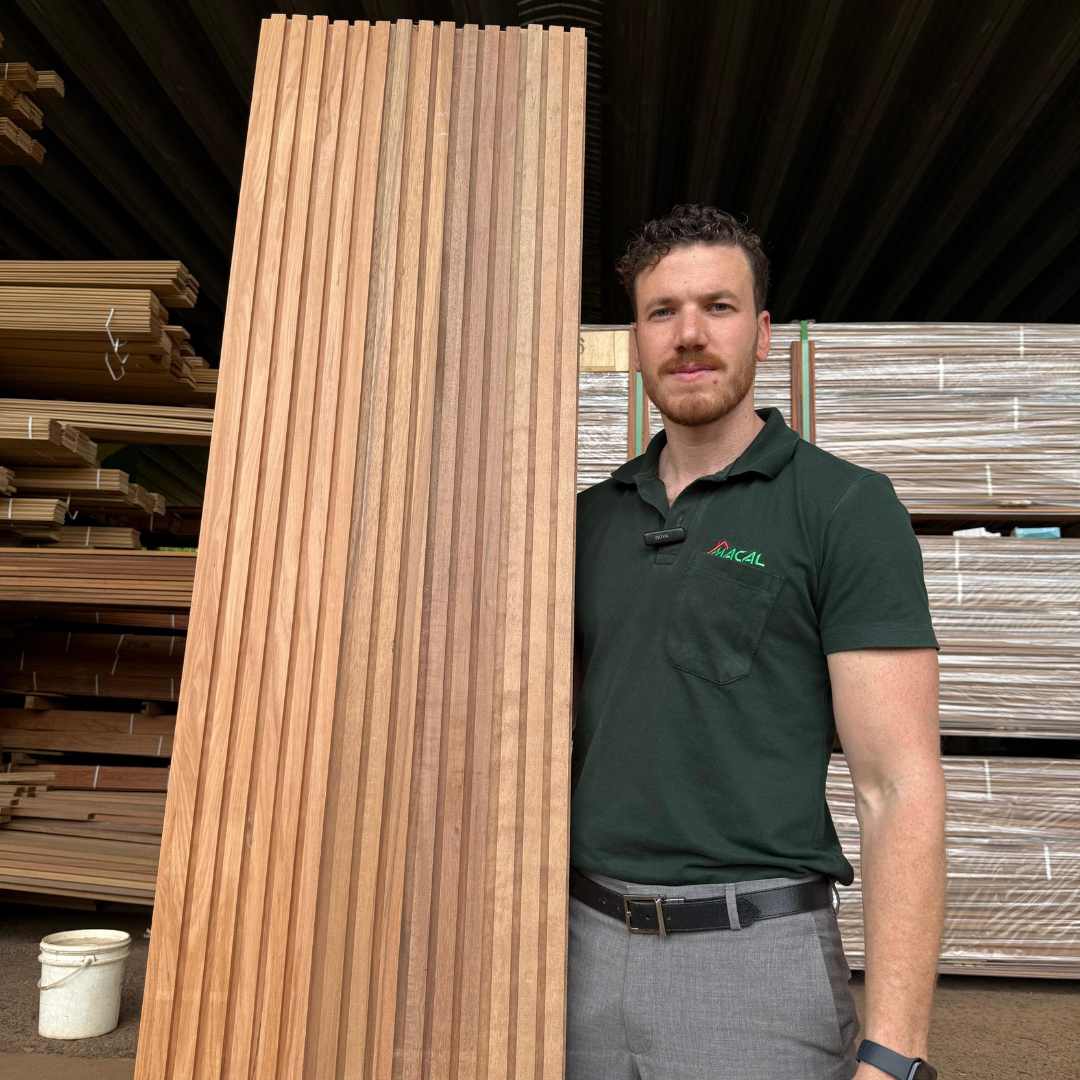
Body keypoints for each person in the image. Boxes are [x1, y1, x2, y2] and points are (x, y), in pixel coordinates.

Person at [567, 205, 946, 1080]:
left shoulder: (843, 507)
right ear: (637, 342)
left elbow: (897, 786)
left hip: (752, 965)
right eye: (662, 312)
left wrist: (895, 1052)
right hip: (574, 954)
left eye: (718, 307)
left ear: (764, 333)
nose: (689, 335)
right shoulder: (583, 524)